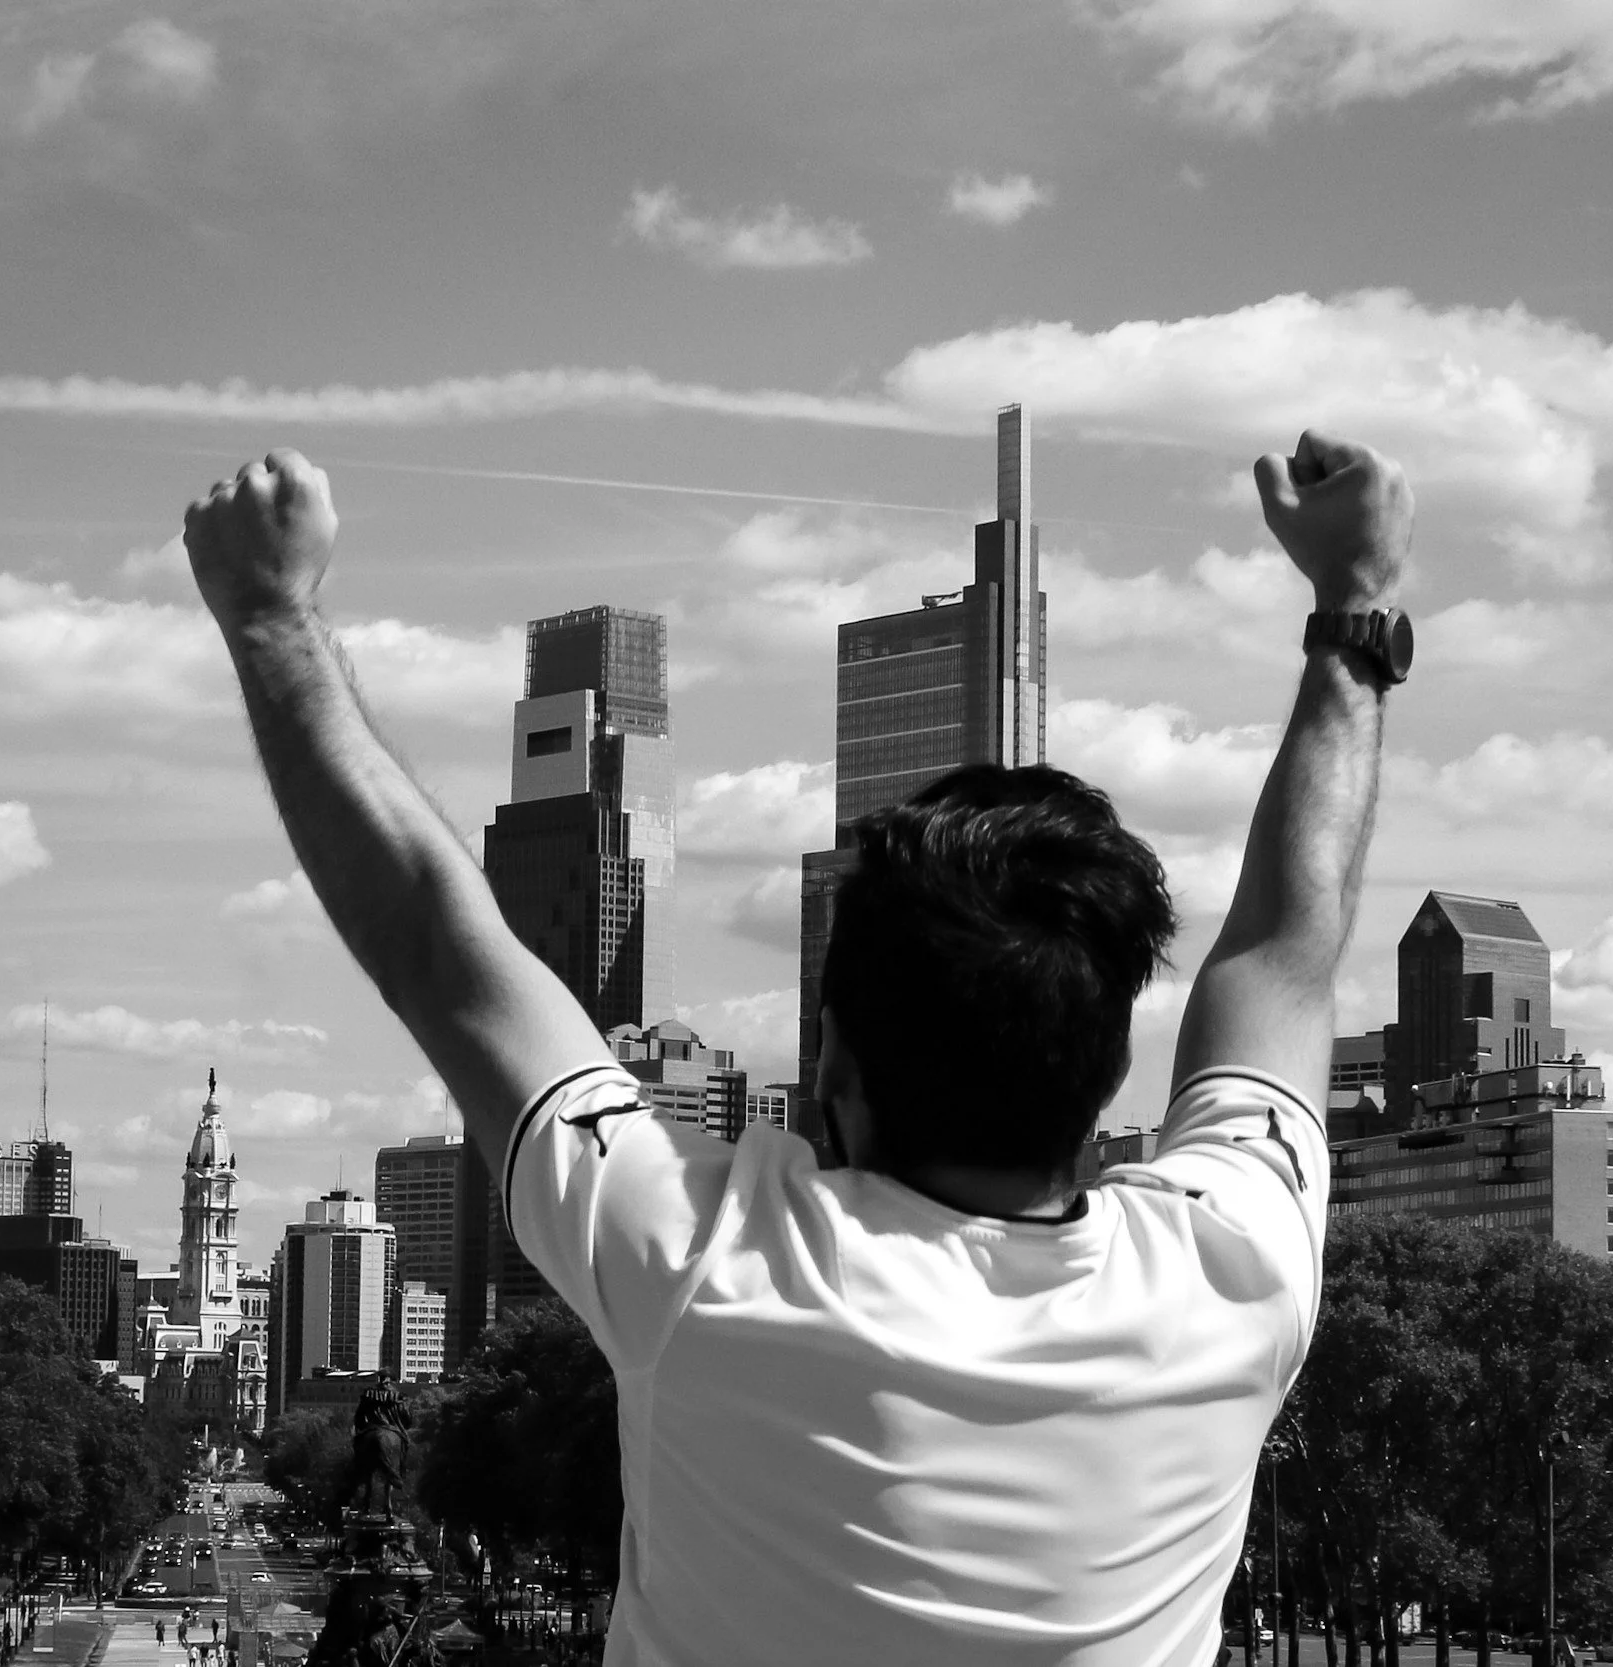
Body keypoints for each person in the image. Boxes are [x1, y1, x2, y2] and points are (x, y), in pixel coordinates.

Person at [184, 428, 1407, 1666]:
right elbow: (1288, 953)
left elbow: (442, 949)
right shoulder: (1228, 1278)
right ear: (1098, 1081)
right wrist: (1356, 610)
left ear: (831, 1070)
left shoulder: (709, 1262)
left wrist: (273, 616)